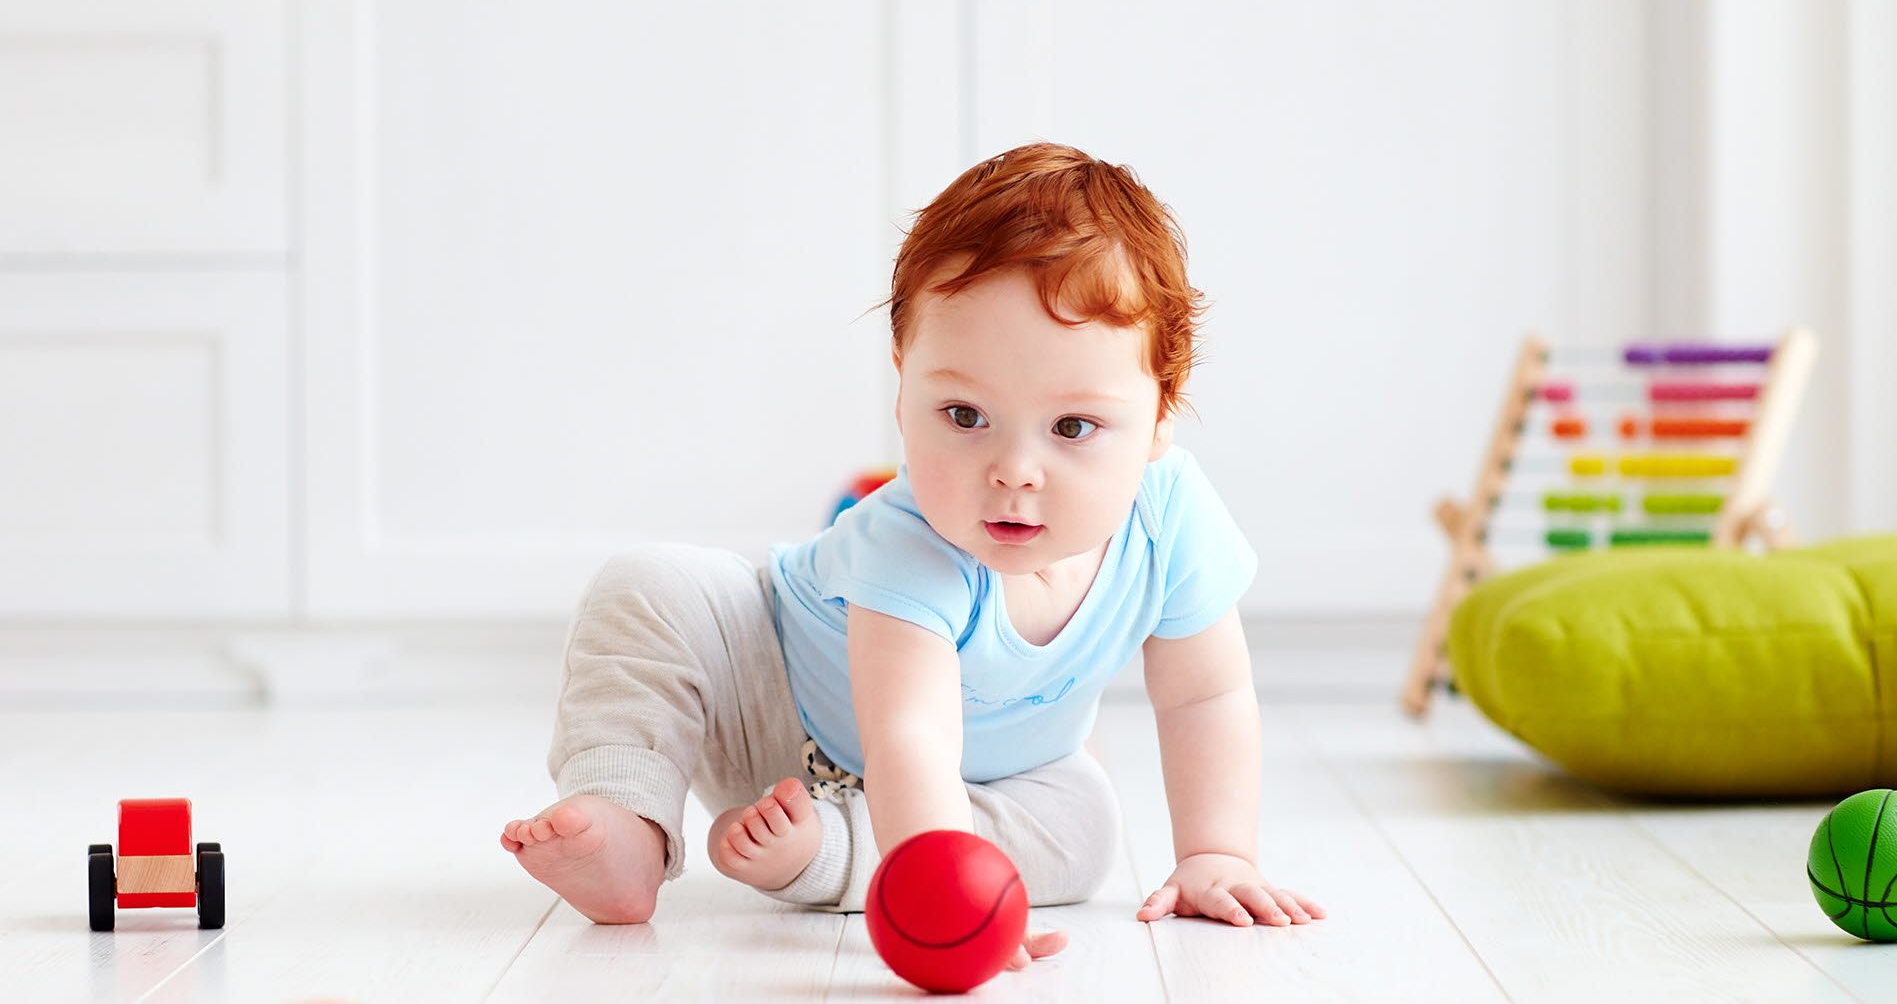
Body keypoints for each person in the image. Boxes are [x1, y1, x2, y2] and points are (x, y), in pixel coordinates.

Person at [499, 142, 1323, 972]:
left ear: (1161, 418)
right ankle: (625, 820)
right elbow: (911, 736)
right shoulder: (909, 538)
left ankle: (829, 853)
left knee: (1084, 829)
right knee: (653, 586)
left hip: (972, 786)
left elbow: (1206, 696)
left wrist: (1218, 853)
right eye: (964, 415)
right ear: (904, 387)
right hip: (768, 699)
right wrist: (951, 894)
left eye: (1072, 428)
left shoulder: (1171, 520)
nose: (1012, 470)